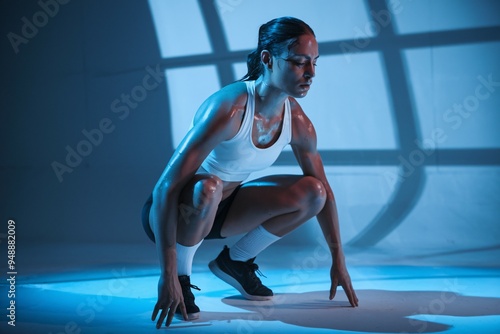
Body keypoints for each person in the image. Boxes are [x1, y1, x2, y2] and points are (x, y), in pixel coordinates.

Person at [141, 16, 358, 329]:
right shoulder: (230, 108)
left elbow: (324, 190)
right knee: (210, 187)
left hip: (223, 212)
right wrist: (167, 273)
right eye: (299, 62)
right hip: (176, 213)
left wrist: (338, 257)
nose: (310, 74)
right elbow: (165, 187)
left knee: (315, 193)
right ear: (268, 59)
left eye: (314, 62)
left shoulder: (297, 122)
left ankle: (236, 261)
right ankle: (182, 279)